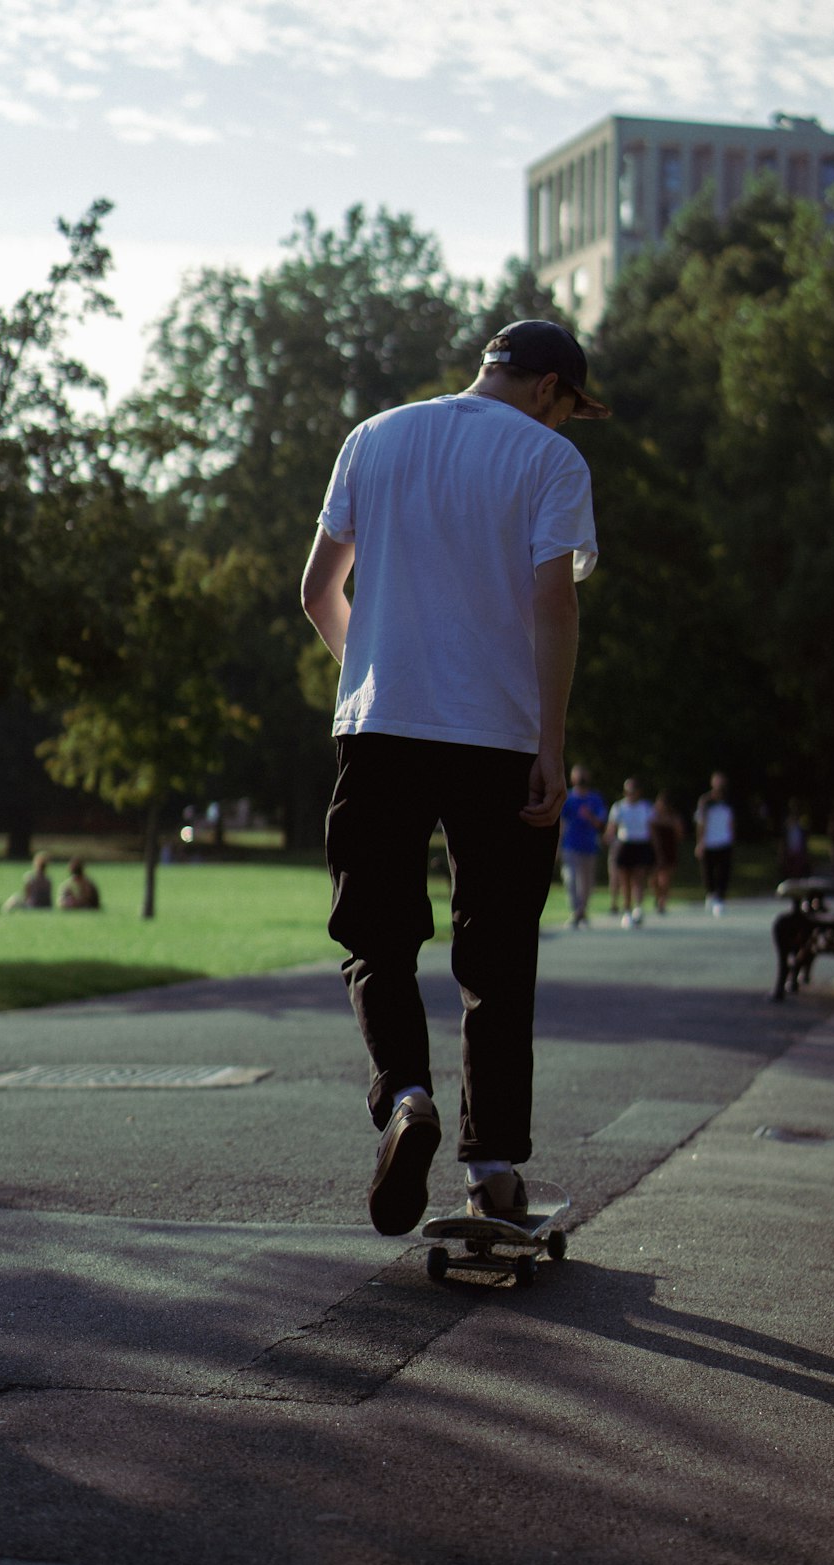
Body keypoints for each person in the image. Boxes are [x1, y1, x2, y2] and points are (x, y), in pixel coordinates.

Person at [301, 318, 607, 1235]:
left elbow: (320, 590)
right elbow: (553, 603)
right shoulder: (549, 463)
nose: (568, 427)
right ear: (549, 387)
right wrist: (551, 745)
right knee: (497, 957)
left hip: (383, 728)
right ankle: (492, 1176)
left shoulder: (377, 436)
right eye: (571, 410)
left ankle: (403, 1099)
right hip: (498, 739)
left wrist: (378, 668)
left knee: (377, 936)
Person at [559, 764, 607, 926]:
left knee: (587, 881)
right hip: (570, 845)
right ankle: (575, 911)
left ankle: (583, 910)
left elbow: (601, 823)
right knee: (570, 879)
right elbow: (562, 822)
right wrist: (558, 845)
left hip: (589, 845)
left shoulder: (595, 798)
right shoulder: (568, 798)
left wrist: (590, 816)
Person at [604, 779, 655, 927]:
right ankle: (626, 910)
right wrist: (608, 837)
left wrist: (654, 849)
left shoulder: (646, 807)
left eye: (632, 791)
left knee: (638, 878)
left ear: (638, 792)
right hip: (624, 845)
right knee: (624, 880)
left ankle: (638, 907)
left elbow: (651, 829)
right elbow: (612, 828)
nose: (629, 794)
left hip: (640, 844)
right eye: (627, 791)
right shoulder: (619, 807)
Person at [695, 771, 734, 916]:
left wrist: (731, 838)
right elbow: (701, 823)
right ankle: (711, 894)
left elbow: (731, 821)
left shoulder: (728, 801)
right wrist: (700, 842)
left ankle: (720, 898)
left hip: (724, 841)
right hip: (709, 842)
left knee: (723, 872)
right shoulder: (705, 801)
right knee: (708, 872)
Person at [649, 791, 685, 914]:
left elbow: (679, 834)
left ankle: (662, 902)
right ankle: (658, 896)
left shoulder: (674, 818)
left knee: (665, 878)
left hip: (668, 850)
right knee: (653, 880)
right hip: (655, 850)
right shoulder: (653, 816)